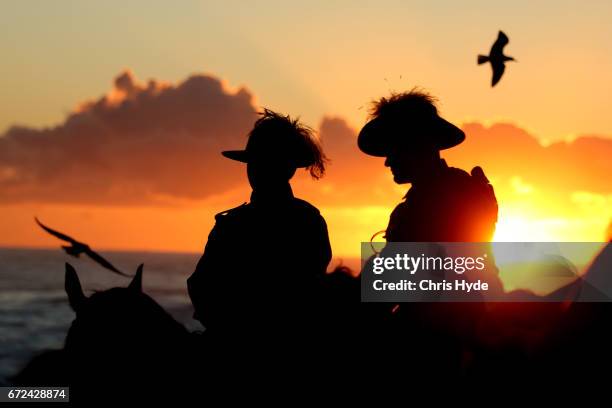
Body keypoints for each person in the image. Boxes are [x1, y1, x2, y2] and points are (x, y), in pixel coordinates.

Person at [357, 89, 501, 374]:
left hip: (431, 347)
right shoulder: (460, 190)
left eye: (394, 149)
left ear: (416, 145)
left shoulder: (430, 203)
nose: (387, 161)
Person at [187, 109, 332, 338]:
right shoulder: (310, 220)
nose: (255, 170)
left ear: (287, 168)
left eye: (264, 163)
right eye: (255, 163)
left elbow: (201, 287)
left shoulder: (233, 224)